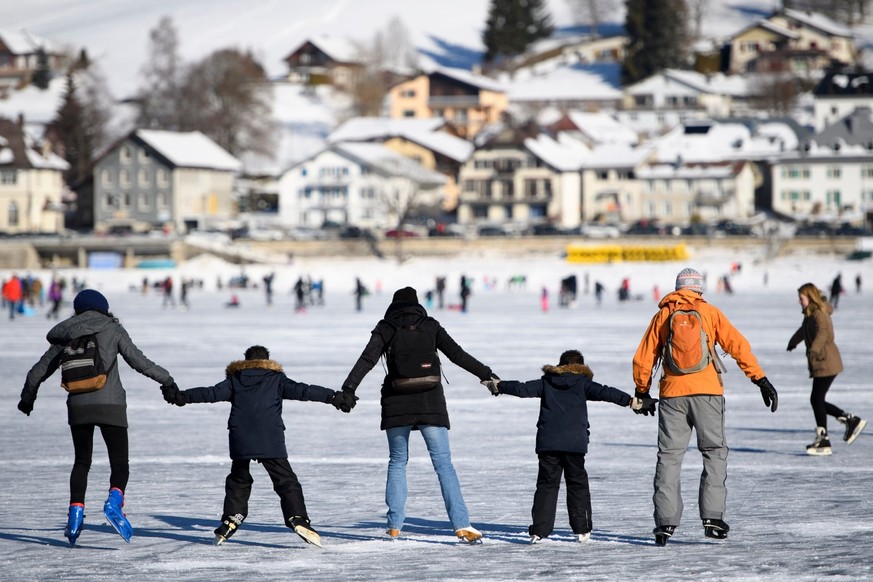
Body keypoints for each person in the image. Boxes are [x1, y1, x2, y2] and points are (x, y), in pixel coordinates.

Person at [632, 268, 778, 546]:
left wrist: (642, 391)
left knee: (669, 457)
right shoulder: (710, 313)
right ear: (699, 289)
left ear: (677, 288)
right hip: (708, 392)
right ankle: (712, 517)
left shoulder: (663, 315)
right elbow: (737, 345)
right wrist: (759, 378)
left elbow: (643, 357)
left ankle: (665, 523)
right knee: (713, 452)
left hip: (672, 394)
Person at [17, 289, 176, 546]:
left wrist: (28, 398)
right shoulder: (112, 328)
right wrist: (167, 381)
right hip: (111, 404)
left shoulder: (66, 334)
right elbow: (139, 361)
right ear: (104, 307)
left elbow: (38, 370)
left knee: (82, 462)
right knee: (119, 462)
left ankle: (75, 513)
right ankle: (114, 501)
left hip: (78, 407)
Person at [339, 286, 498, 543]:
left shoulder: (386, 327)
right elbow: (457, 354)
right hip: (429, 402)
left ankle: (394, 526)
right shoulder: (430, 325)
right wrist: (486, 374)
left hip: (396, 402)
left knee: (398, 461)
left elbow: (366, 359)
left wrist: (348, 389)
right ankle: (462, 525)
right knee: (444, 464)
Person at [161, 345, 356, 548]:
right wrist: (334, 397)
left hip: (241, 437)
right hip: (269, 437)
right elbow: (305, 390)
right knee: (286, 481)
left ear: (245, 361)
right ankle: (297, 518)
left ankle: (231, 519)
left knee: (239, 479)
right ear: (267, 360)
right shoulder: (276, 379)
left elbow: (210, 393)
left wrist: (181, 396)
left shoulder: (235, 380)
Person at [486, 350, 657, 544]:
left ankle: (538, 531)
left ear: (560, 365)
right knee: (577, 485)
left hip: (548, 444)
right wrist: (633, 402)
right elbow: (607, 392)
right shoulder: (583, 383)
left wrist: (499, 386)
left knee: (546, 486)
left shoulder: (547, 382)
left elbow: (522, 388)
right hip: (575, 445)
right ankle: (582, 530)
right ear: (581, 366)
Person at [787, 283, 866, 455]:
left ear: (810, 296)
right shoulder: (810, 315)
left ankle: (826, 438)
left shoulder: (819, 314)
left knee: (816, 399)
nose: (799, 301)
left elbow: (823, 333)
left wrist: (814, 351)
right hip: (822, 361)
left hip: (826, 360)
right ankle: (847, 422)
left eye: (801, 298)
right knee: (817, 400)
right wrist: (793, 342)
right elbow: (803, 331)